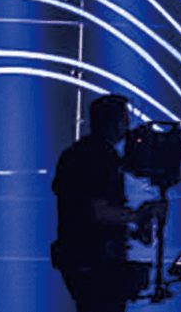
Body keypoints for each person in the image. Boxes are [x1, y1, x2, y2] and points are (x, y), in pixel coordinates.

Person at [51, 94, 148, 312]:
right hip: (95, 262)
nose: (128, 125)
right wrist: (137, 216)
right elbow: (96, 212)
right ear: (114, 121)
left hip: (79, 258)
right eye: (125, 118)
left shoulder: (76, 152)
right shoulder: (98, 157)